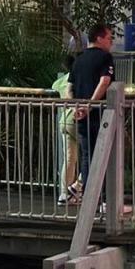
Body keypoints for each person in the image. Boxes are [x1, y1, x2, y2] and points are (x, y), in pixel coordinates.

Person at [69, 24, 115, 190]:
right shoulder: (105, 58)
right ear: (99, 38)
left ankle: (90, 197)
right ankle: (104, 198)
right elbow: (104, 82)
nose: (112, 43)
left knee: (87, 156)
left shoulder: (79, 59)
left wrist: (76, 107)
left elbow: (70, 86)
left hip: (82, 116)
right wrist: (91, 104)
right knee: (105, 156)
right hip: (101, 116)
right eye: (110, 38)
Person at [52, 55, 82, 205]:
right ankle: (77, 187)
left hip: (63, 119)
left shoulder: (61, 81)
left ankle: (64, 194)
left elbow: (54, 87)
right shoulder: (79, 76)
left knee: (69, 159)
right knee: (97, 153)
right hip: (76, 119)